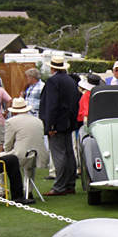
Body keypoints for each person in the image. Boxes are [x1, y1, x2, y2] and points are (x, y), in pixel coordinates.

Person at [38, 54, 79, 195]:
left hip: (58, 123)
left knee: (59, 155)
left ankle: (59, 186)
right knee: (69, 154)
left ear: (52, 68)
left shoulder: (53, 82)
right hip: (69, 121)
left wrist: (50, 126)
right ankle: (70, 184)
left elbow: (51, 105)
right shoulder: (71, 81)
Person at [5, 97, 47, 199]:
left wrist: (6, 151)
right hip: (38, 155)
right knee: (29, 164)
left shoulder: (11, 122)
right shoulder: (38, 121)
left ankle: (1, 191)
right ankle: (29, 190)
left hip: (21, 155)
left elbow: (7, 145)